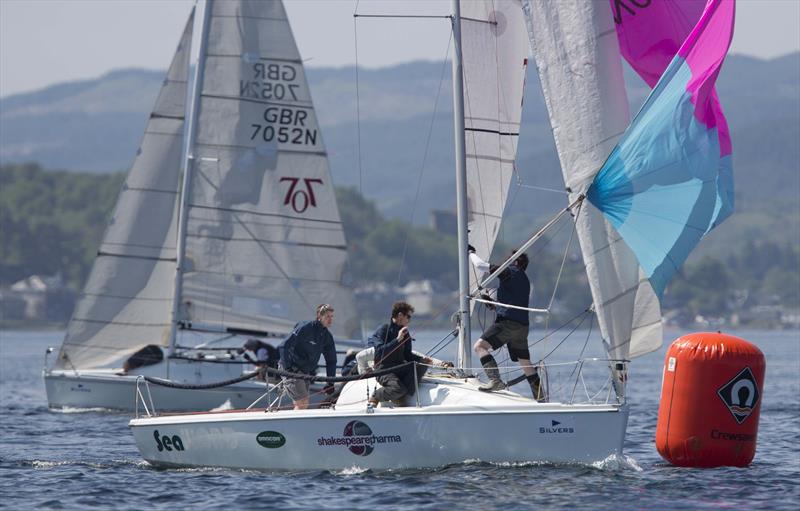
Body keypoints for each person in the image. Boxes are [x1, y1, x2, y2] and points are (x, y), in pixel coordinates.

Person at [469, 247, 546, 401]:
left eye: (508, 259)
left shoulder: (510, 271)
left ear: (515, 261)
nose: (504, 261)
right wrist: (493, 304)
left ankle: (495, 381)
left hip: (508, 324)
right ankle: (541, 398)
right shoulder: (524, 279)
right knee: (525, 362)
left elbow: (480, 265)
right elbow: (512, 301)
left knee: (479, 347)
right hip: (522, 326)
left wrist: (470, 253)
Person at [367, 302, 433, 407]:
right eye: (408, 317)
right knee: (398, 388)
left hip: (399, 368)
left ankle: (399, 396)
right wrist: (397, 340)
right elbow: (380, 352)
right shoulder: (383, 330)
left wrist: (422, 360)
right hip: (384, 369)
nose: (409, 320)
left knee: (420, 367)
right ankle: (376, 395)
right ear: (400, 315)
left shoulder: (405, 333)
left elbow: (408, 355)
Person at [278, 303, 337, 409]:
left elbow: (331, 361)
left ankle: (294, 424)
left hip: (305, 372)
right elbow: (284, 345)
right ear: (319, 316)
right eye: (327, 316)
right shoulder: (305, 328)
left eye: (332, 316)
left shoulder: (327, 337)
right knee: (302, 403)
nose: (330, 320)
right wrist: (288, 369)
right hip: (291, 369)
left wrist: (330, 383)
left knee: (302, 403)